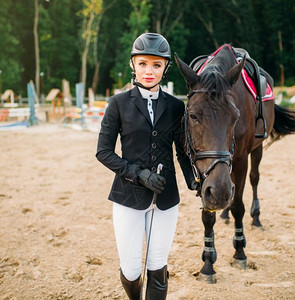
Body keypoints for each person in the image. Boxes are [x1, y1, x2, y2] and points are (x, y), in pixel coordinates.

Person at [96, 33, 197, 300]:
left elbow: (183, 152)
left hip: (166, 198)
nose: (149, 71)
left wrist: (192, 180)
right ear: (133, 65)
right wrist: (138, 173)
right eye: (142, 64)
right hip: (128, 196)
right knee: (131, 269)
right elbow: (103, 152)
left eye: (156, 65)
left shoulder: (176, 107)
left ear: (165, 68)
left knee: (158, 266)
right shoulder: (117, 104)